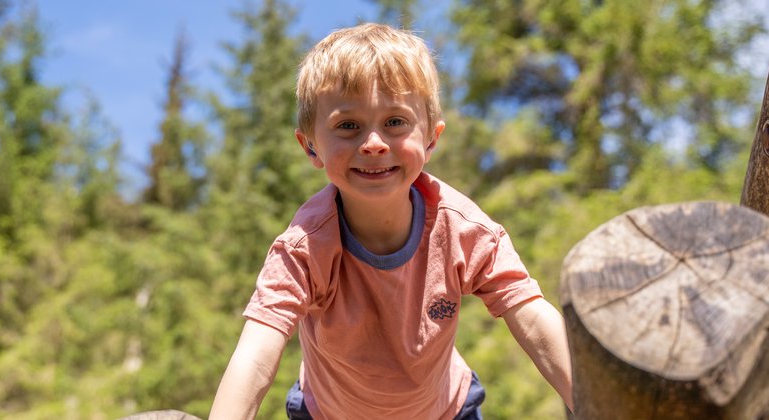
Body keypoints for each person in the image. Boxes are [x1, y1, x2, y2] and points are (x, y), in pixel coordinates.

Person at [210, 22, 573, 419]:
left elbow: (534, 319)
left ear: (431, 139)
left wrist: (598, 403)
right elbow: (257, 353)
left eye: (395, 122)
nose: (374, 143)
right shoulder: (304, 249)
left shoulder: (463, 230)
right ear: (310, 146)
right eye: (348, 126)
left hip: (446, 411)